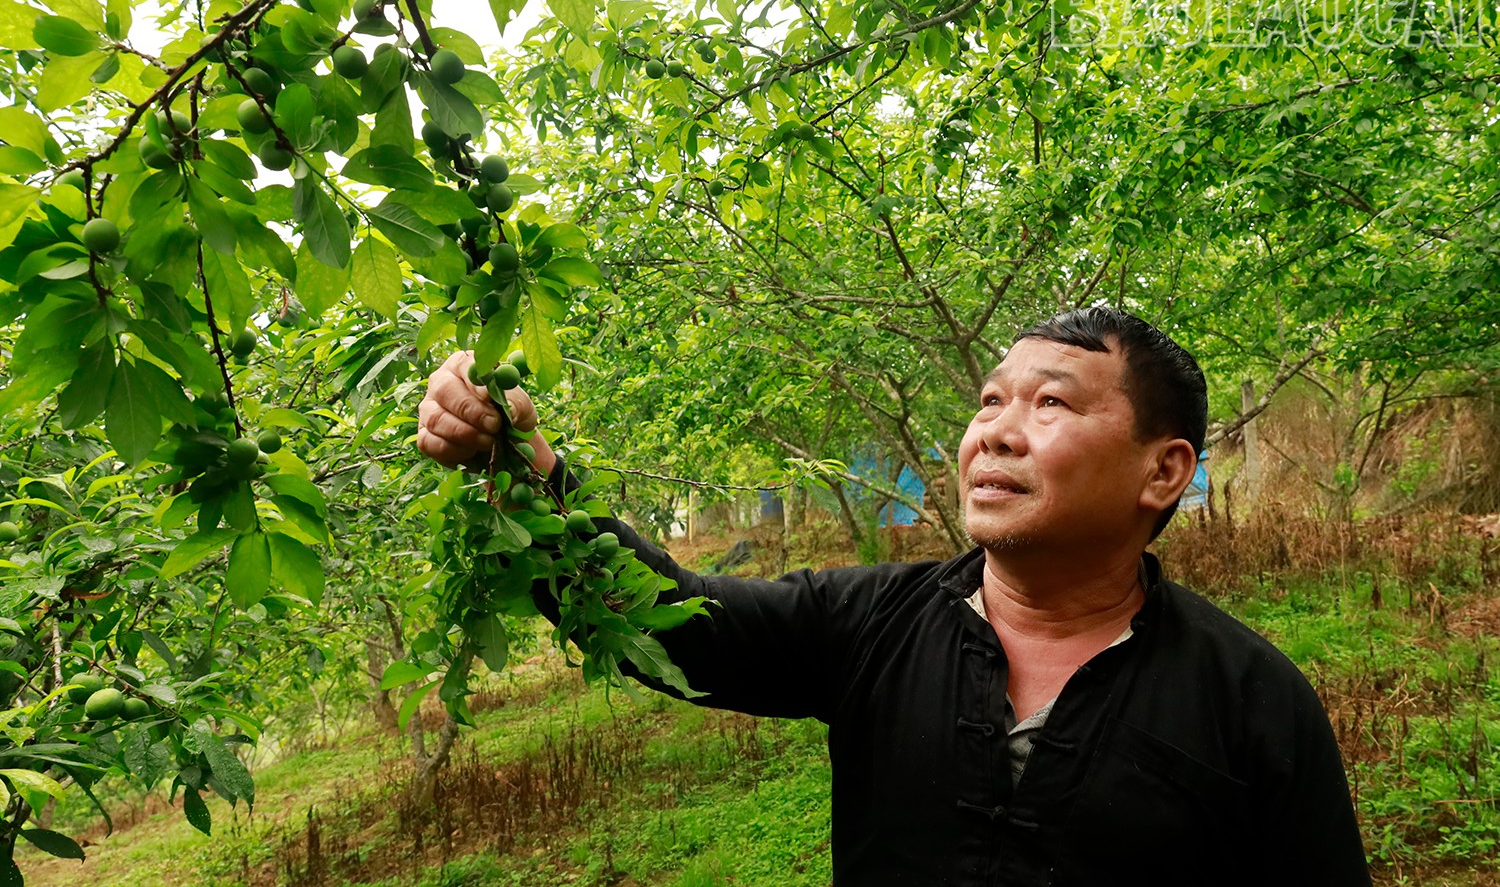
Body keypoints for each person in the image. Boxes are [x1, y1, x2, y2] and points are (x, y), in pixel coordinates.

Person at [417, 307, 1371, 887]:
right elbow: (671, 627)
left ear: (1163, 473)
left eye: (1051, 405)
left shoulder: (1253, 701)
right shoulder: (871, 622)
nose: (995, 433)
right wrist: (525, 471)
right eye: (990, 402)